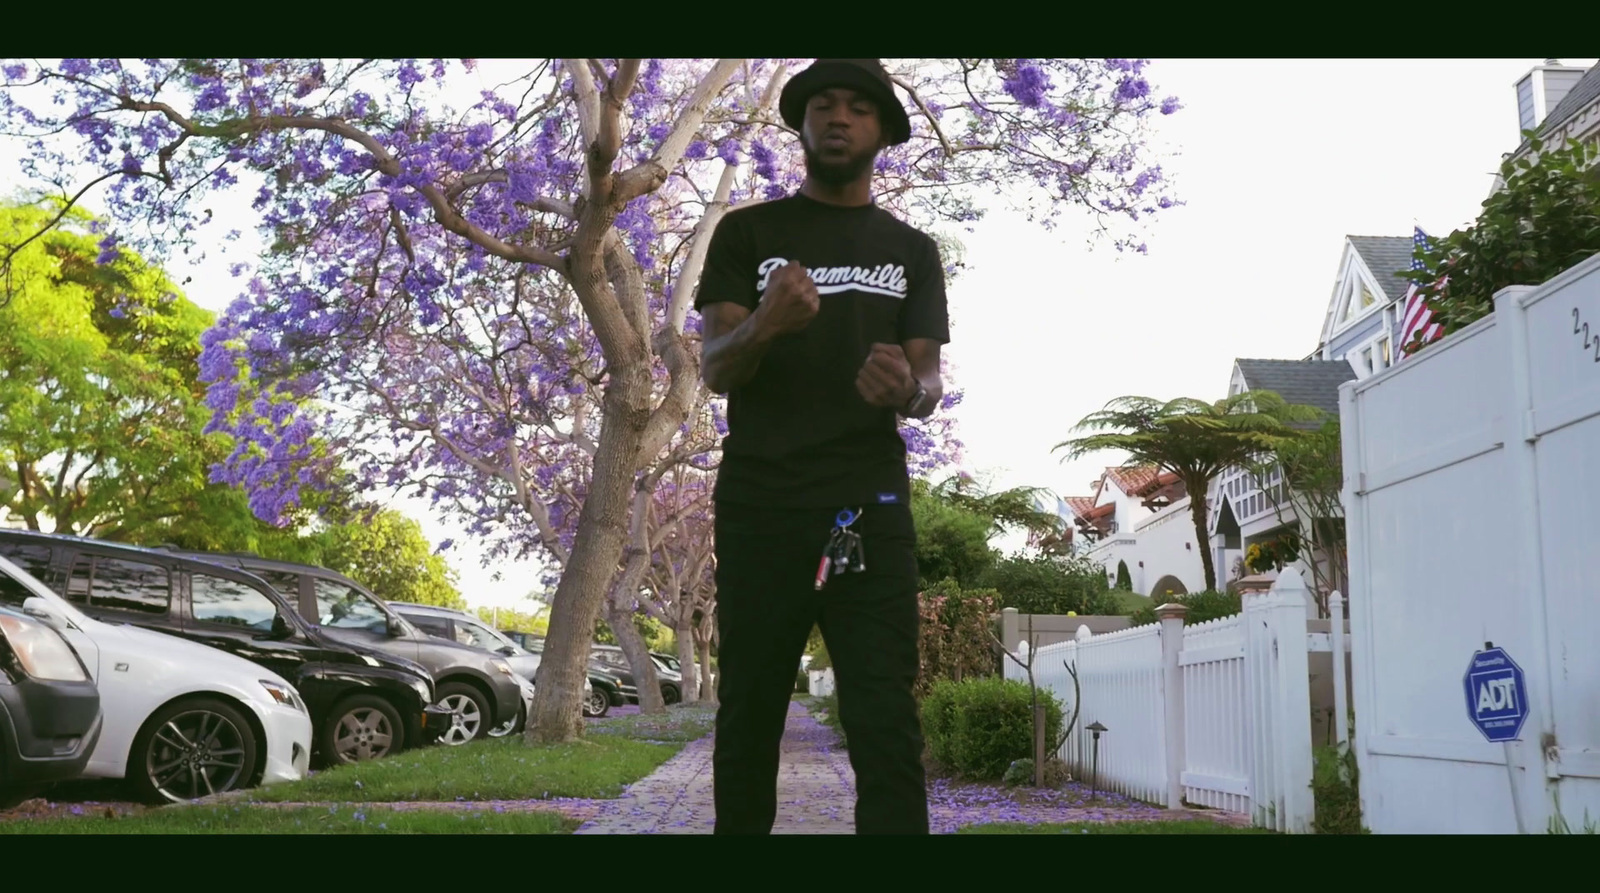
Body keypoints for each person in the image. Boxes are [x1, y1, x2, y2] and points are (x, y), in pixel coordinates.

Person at [692, 58, 947, 835]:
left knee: (882, 716)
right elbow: (712, 367)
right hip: (763, 505)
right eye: (824, 105)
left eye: (859, 107)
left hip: (864, 509)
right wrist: (765, 322)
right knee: (750, 714)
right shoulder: (748, 233)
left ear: (882, 131)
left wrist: (905, 387)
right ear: (801, 124)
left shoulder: (912, 250)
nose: (839, 117)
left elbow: (930, 381)